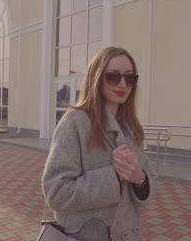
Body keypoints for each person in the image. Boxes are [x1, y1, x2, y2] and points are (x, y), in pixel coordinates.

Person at [42, 47, 154, 241]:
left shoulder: (132, 129)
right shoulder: (75, 122)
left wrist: (140, 179)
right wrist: (114, 178)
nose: (122, 84)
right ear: (97, 77)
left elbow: (146, 183)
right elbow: (56, 192)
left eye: (129, 78)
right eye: (113, 76)